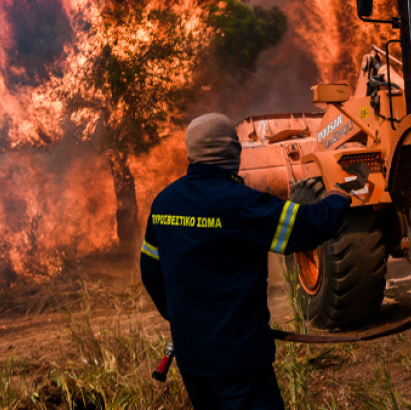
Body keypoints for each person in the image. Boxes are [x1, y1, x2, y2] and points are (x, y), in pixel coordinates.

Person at [140, 113, 351, 410]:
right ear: (232, 152)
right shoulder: (240, 203)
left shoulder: (164, 203)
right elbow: (306, 228)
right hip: (239, 359)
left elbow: (150, 272)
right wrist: (339, 197)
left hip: (191, 358)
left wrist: (182, 319)